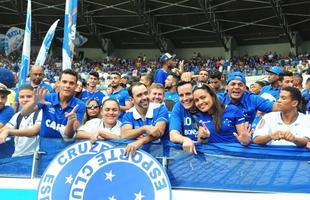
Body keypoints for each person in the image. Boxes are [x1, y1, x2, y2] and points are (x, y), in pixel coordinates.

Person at [21, 69, 86, 140]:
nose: (67, 85)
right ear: (58, 83)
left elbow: (69, 135)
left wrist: (70, 122)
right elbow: (24, 112)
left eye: (71, 83)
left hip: (66, 149)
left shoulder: (80, 105)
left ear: (76, 86)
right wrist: (34, 100)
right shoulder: (48, 98)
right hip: (44, 148)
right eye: (64, 82)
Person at [121, 82, 169, 156]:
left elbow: (158, 132)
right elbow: (124, 134)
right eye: (139, 95)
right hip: (139, 158)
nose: (144, 97)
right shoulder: (128, 114)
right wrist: (144, 128)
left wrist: (140, 141)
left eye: (146, 93)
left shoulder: (160, 108)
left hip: (161, 155)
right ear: (131, 100)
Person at [0, 85, 42, 157]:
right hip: (17, 157)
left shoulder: (41, 112)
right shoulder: (18, 115)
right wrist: (4, 132)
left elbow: (34, 131)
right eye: (22, 97)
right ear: (18, 99)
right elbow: (4, 129)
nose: (25, 99)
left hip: (33, 158)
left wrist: (8, 132)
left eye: (29, 96)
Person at [169, 81, 199, 154]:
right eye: (181, 95)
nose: (185, 98)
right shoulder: (178, 106)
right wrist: (185, 140)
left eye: (188, 94)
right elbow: (173, 135)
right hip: (188, 154)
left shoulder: (204, 105)